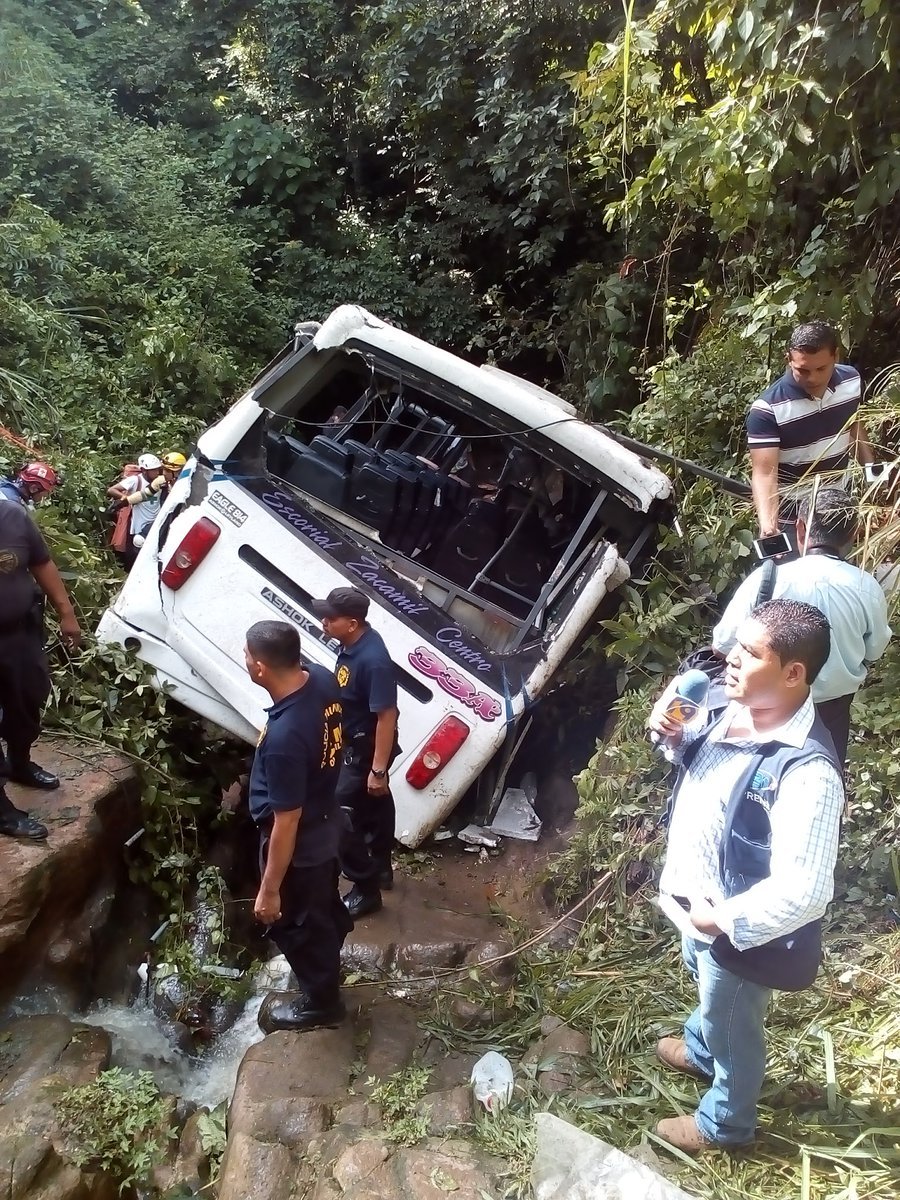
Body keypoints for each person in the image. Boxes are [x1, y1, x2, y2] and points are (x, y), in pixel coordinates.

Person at [648, 599, 844, 1153]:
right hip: (693, 902)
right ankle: (701, 1047)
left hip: (734, 932)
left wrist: (722, 920)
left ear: (793, 673)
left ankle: (724, 1125)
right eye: (735, 645)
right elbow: (690, 761)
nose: (730, 659)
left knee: (734, 1021)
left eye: (750, 653)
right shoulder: (722, 704)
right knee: (707, 994)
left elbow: (806, 890)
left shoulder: (807, 773)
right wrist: (672, 735)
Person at [712, 488, 891, 761]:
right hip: (832, 712)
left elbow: (722, 646)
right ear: (854, 534)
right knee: (823, 773)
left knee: (757, 779)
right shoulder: (867, 588)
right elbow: (874, 650)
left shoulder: (767, 578)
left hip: (768, 706)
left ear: (800, 528)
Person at [244, 620, 352, 1033]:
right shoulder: (322, 680)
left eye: (247, 655)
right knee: (321, 904)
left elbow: (285, 822)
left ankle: (322, 1003)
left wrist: (269, 891)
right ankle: (329, 958)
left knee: (293, 922)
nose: (246, 659)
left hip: (302, 842)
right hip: (327, 819)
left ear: (259, 669)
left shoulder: (286, 738)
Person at [311, 587, 399, 919]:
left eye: (330, 618)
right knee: (376, 807)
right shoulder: (352, 646)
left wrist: (377, 769)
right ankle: (381, 869)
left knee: (340, 815)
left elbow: (386, 715)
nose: (323, 622)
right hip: (353, 741)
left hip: (364, 749)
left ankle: (366, 890)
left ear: (351, 623)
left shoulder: (372, 660)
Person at [0, 495, 82, 839]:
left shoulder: (12, 516)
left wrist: (67, 614)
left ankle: (21, 762)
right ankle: (1, 810)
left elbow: (42, 563)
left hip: (19, 634)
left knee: (28, 699)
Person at [747, 321, 874, 539]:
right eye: (802, 370)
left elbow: (853, 425)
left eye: (821, 369)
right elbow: (765, 473)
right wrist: (769, 526)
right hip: (792, 521)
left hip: (837, 510)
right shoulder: (768, 409)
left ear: (836, 356)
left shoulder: (851, 381)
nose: (813, 378)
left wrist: (873, 474)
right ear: (789, 359)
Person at [106, 453, 164, 568]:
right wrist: (126, 499)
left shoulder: (160, 482)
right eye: (153, 470)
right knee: (135, 552)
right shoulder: (135, 480)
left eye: (157, 469)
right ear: (144, 470)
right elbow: (112, 490)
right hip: (139, 523)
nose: (156, 472)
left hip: (155, 521)